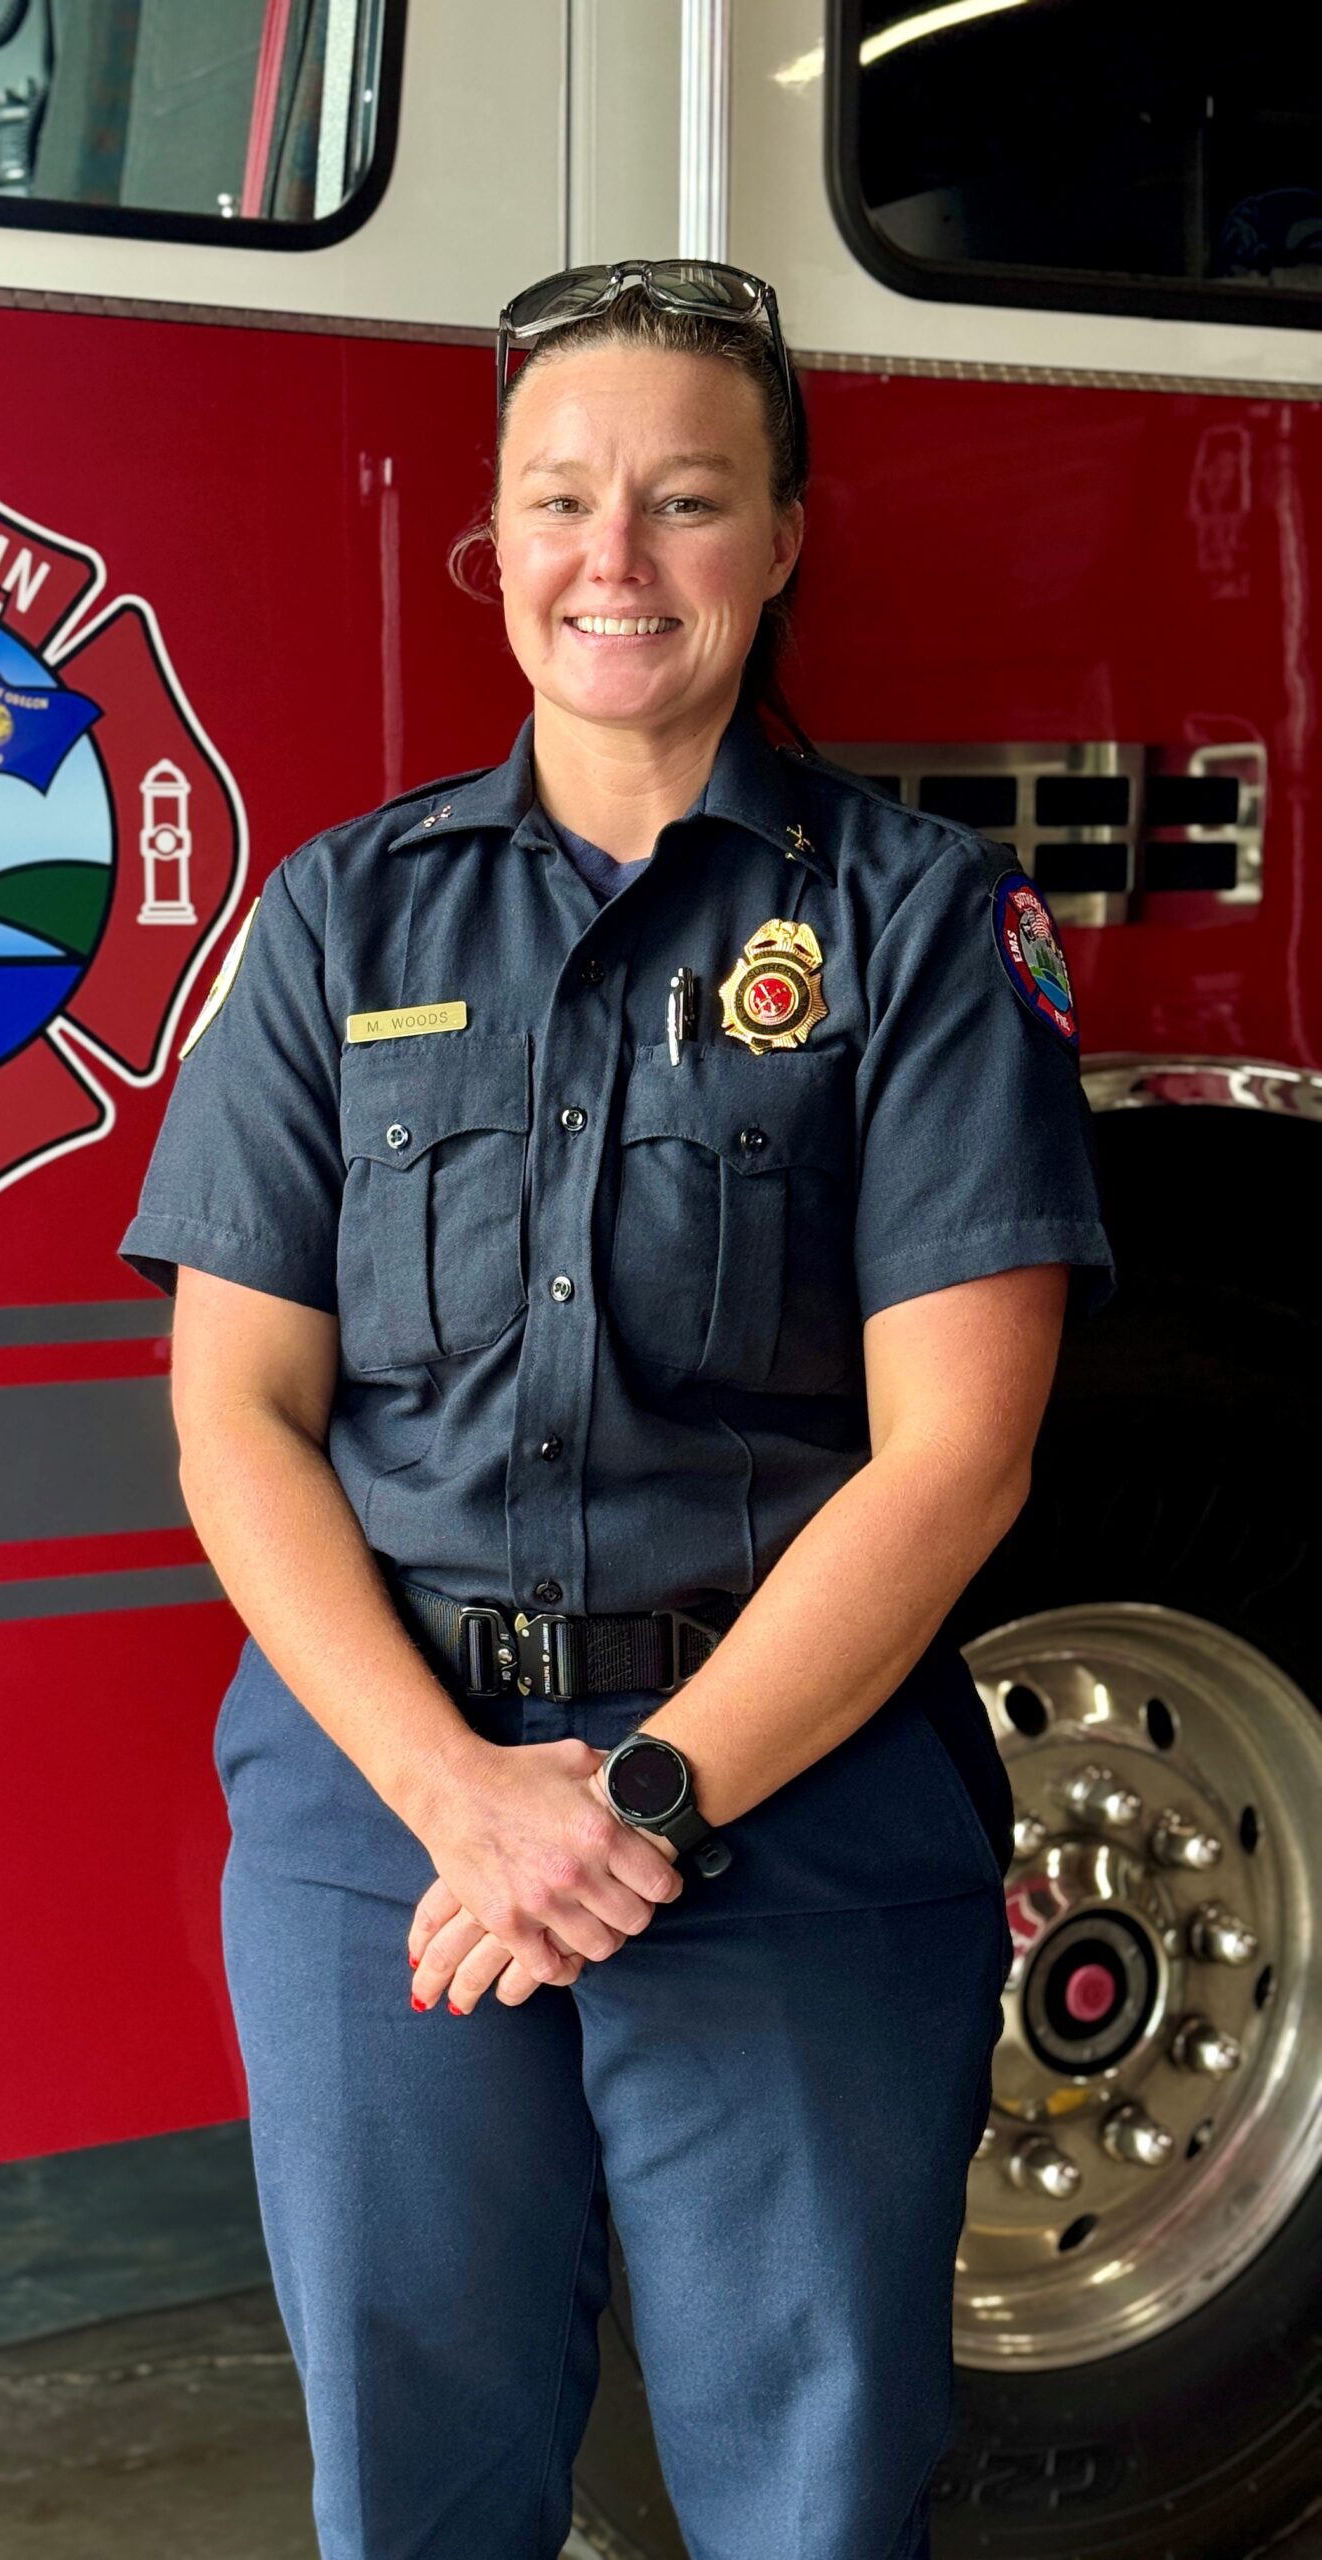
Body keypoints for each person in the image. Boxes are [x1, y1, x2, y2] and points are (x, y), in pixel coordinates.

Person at [117, 258, 1114, 2560]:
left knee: (809, 2488)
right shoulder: (334, 925)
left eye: (685, 500)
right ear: (493, 536)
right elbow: (237, 1421)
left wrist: (635, 1803)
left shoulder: (921, 929)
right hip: (391, 1824)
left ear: (783, 537)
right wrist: (464, 1793)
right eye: (562, 500)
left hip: (791, 1821)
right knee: (416, 2482)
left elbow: (958, 1445)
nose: (616, 559)